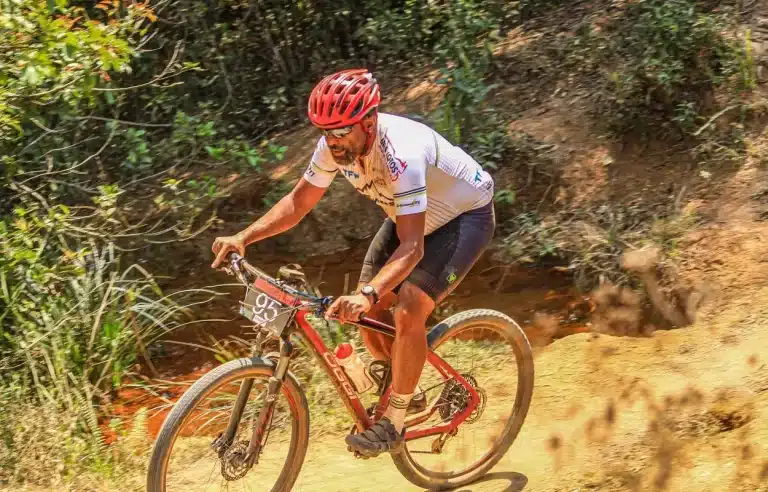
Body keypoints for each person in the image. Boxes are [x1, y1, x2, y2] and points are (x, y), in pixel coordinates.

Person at [211, 68, 495, 458]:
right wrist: (244, 237)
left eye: (342, 131)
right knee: (368, 319)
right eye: (325, 132)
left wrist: (367, 291)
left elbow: (412, 248)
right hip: (409, 215)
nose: (333, 141)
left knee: (408, 308)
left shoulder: (402, 153)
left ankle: (393, 423)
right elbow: (298, 203)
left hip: (464, 216)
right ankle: (405, 393)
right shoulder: (332, 146)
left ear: (368, 121)